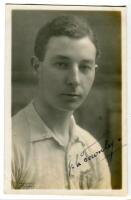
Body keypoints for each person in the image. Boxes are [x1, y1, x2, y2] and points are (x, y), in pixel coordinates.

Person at [12, 14, 111, 189]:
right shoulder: (8, 144)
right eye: (62, 65)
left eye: (85, 67)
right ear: (37, 66)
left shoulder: (92, 150)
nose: (74, 80)